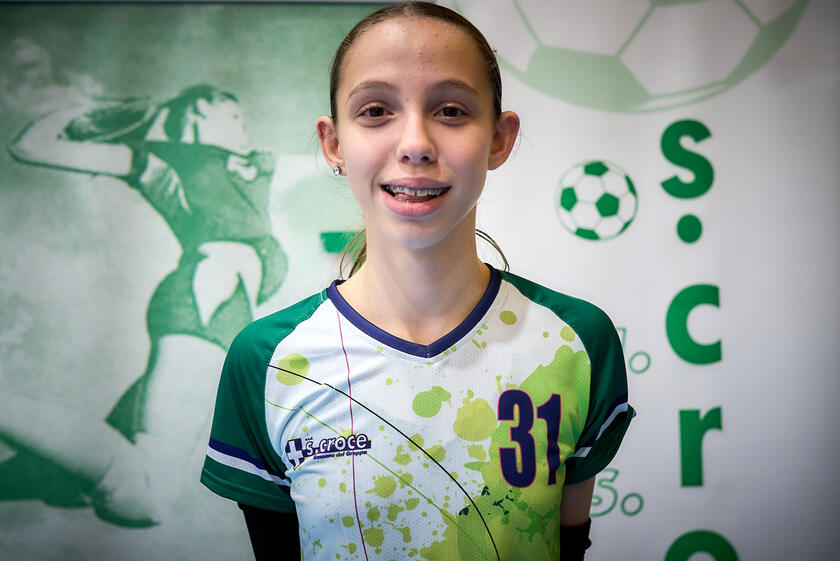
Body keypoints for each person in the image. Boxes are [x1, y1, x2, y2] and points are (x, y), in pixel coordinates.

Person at [200, 3, 634, 560]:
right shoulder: (267, 362)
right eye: (376, 110)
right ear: (333, 144)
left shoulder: (577, 342)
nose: (415, 144)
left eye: (451, 110)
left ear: (499, 138)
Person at [4, 84, 285, 526]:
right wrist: (100, 110)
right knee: (144, 491)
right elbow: (29, 146)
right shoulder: (162, 160)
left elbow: (346, 163)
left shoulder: (259, 169)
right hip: (203, 301)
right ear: (199, 111)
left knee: (78, 484)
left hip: (222, 322)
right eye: (235, 117)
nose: (245, 129)